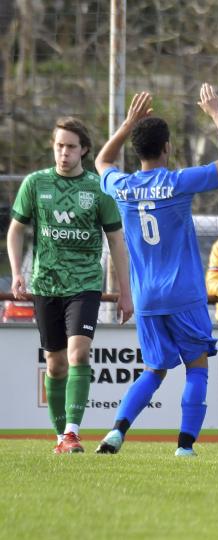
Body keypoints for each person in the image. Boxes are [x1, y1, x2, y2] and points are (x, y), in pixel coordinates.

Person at [94, 84, 218, 456]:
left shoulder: (123, 187)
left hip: (147, 298)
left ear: (137, 149)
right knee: (196, 368)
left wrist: (127, 124)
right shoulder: (177, 183)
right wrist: (216, 113)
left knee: (153, 370)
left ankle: (116, 432)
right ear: (167, 148)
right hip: (183, 294)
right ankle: (184, 446)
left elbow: (101, 161)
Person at [6, 117, 133, 454]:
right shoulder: (35, 184)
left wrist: (125, 292)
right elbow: (16, 230)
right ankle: (61, 437)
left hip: (84, 284)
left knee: (79, 353)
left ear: (84, 150)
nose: (64, 153)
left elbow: (117, 241)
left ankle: (73, 433)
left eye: (71, 147)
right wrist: (17, 273)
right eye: (59, 146)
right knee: (56, 364)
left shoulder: (98, 189)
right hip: (46, 285)